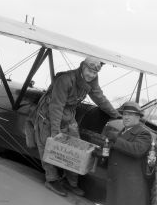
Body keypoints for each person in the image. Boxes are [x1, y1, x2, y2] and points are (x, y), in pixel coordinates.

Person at [30, 56, 119, 197]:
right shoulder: (65, 80)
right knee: (48, 145)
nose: (91, 75)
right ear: (82, 66)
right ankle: (51, 179)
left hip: (69, 116)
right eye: (89, 71)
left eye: (94, 73)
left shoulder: (92, 82)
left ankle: (70, 182)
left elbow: (99, 98)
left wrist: (115, 114)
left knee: (76, 149)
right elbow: (56, 106)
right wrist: (55, 132)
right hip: (48, 117)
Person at [91, 101, 152, 205]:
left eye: (130, 115)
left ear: (138, 117)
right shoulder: (122, 132)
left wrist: (116, 139)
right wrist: (102, 153)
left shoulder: (143, 133)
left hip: (134, 185)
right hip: (119, 183)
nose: (126, 117)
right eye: (124, 114)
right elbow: (117, 152)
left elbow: (137, 150)